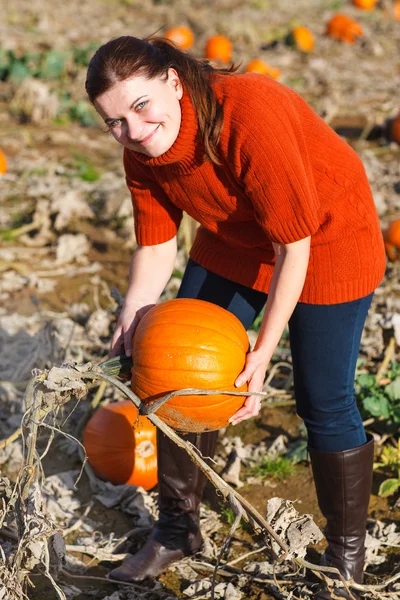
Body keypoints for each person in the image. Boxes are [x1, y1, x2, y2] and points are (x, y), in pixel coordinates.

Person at [85, 35, 386, 598]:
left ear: (173, 82)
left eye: (141, 106)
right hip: (236, 241)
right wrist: (133, 316)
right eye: (114, 122)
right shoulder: (140, 150)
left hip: (325, 240)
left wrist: (261, 355)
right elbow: (155, 247)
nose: (132, 129)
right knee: (169, 367)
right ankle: (178, 529)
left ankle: (346, 561)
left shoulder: (249, 113)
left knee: (323, 399)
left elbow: (293, 247)